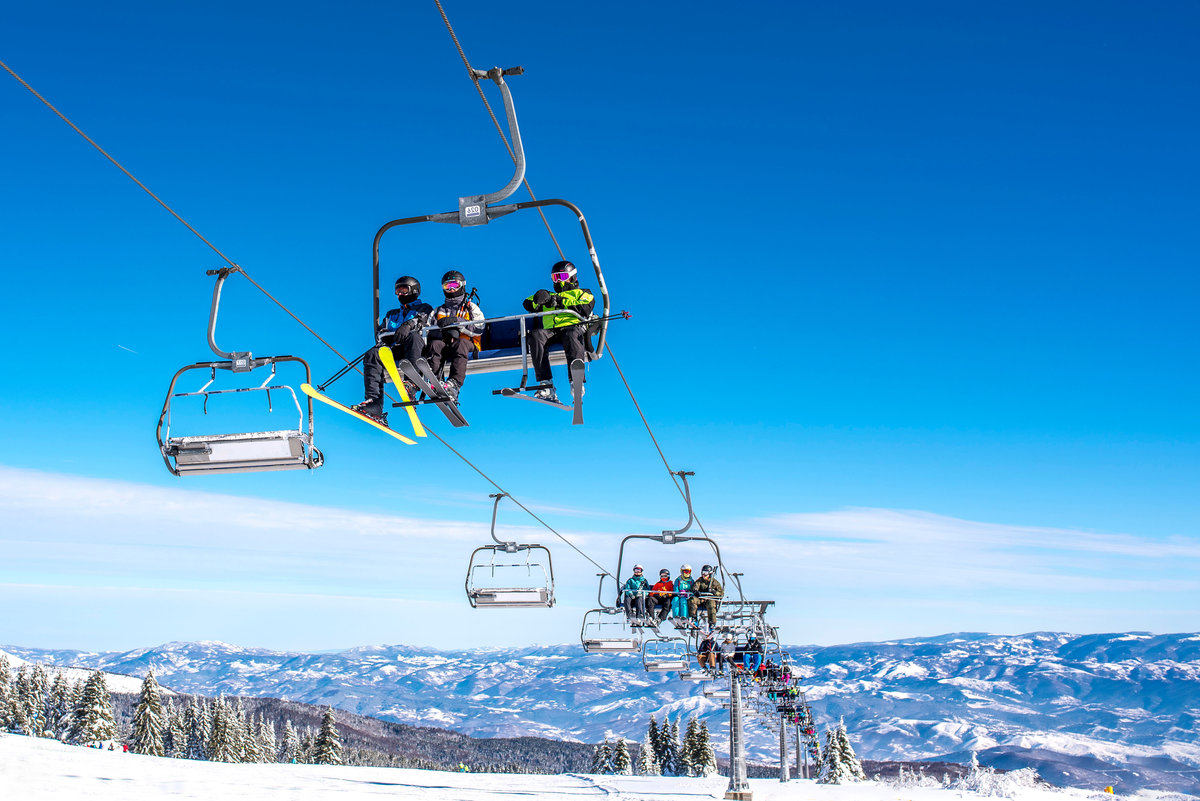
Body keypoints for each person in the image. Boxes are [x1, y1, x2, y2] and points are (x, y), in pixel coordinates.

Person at [353, 275, 432, 423]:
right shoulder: (392, 314)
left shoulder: (424, 307)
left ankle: (412, 384)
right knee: (372, 354)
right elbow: (381, 331)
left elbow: (423, 319)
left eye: (403, 290)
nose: (400, 295)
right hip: (395, 349)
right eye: (397, 291)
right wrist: (385, 336)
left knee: (413, 337)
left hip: (416, 349)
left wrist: (408, 326)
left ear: (414, 291)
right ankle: (374, 403)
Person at [522, 260, 595, 402]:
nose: (557, 281)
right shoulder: (549, 295)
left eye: (560, 277)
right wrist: (540, 297)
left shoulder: (583, 293)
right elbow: (527, 302)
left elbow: (585, 307)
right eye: (554, 278)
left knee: (571, 335)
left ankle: (576, 382)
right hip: (552, 332)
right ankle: (546, 384)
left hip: (573, 328)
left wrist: (558, 300)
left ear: (572, 277)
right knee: (536, 335)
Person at [427, 270, 484, 400]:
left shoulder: (471, 307)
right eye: (447, 286)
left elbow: (480, 327)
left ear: (462, 285)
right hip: (445, 344)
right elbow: (428, 330)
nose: (451, 290)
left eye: (454, 285)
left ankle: (454, 383)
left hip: (468, 343)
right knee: (435, 345)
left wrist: (458, 323)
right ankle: (436, 381)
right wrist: (443, 331)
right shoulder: (438, 311)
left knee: (460, 344)